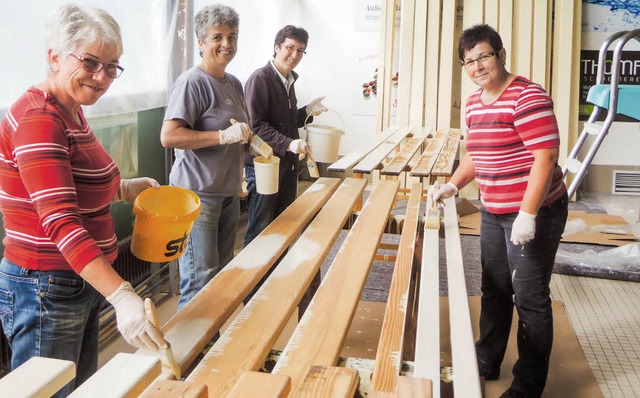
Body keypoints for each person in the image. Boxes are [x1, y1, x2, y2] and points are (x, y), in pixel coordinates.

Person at [0, 4, 166, 396]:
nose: (102, 76)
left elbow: (71, 182)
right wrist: (122, 294)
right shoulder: (40, 120)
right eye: (91, 62)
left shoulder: (71, 108)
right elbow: (60, 221)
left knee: (78, 389)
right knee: (49, 390)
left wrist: (123, 189)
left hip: (77, 280)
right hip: (47, 286)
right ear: (54, 56)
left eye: (112, 66)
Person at [431, 24, 568, 398]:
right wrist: (452, 185)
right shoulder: (475, 102)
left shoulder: (527, 97)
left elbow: (546, 156)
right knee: (493, 288)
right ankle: (485, 360)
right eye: (469, 61)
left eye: (484, 57)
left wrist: (528, 213)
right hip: (492, 210)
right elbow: (477, 153)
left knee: (530, 297)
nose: (477, 67)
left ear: (501, 55)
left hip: (535, 211)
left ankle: (527, 386)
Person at [160, 4, 252, 310]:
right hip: (196, 196)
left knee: (220, 277)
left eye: (232, 36)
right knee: (199, 281)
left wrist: (247, 145)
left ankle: (213, 350)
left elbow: (237, 132)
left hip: (226, 192)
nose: (226, 44)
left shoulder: (234, 83)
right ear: (201, 43)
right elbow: (169, 136)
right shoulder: (192, 82)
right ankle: (192, 355)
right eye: (218, 37)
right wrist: (221, 137)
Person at [242, 25, 326, 315]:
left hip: (287, 167)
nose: (294, 54)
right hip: (264, 168)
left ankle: (272, 285)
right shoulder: (260, 79)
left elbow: (283, 119)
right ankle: (252, 293)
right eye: (290, 47)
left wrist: (305, 113)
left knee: (281, 226)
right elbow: (257, 125)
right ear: (277, 46)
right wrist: (289, 143)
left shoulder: (288, 80)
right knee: (261, 230)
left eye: (300, 50)